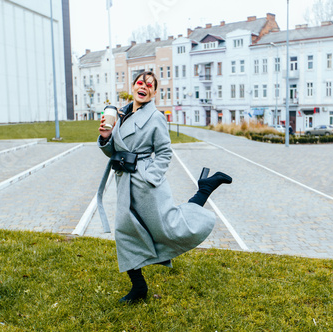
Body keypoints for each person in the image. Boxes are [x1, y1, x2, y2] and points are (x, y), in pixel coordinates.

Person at [96, 71, 232, 303]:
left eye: (150, 85)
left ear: (154, 92)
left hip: (146, 183)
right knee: (125, 232)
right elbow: (114, 151)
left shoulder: (155, 117)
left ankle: (205, 189)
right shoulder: (120, 115)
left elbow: (165, 151)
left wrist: (151, 177)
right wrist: (105, 137)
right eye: (141, 82)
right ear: (134, 86)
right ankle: (139, 288)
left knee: (171, 226)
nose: (144, 86)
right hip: (125, 183)